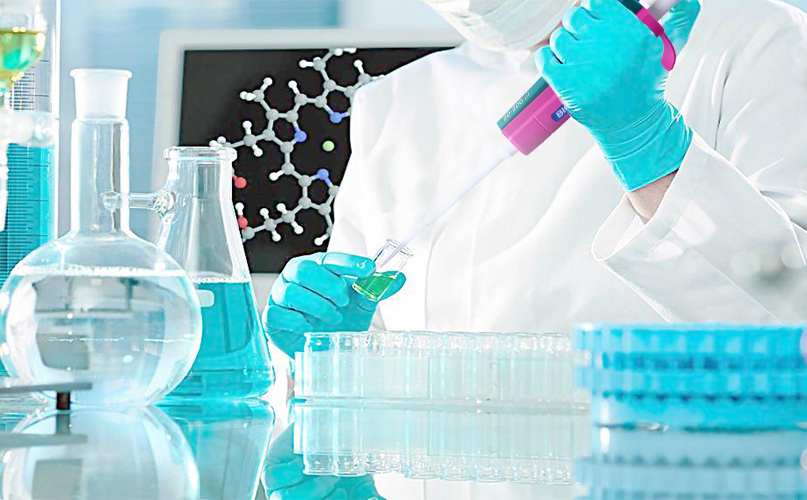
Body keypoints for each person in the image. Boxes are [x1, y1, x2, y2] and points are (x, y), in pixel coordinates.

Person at [262, 0, 807, 493]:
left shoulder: (752, 38)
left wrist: (645, 141)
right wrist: (335, 358)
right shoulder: (398, 101)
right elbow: (371, 352)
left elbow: (790, 327)